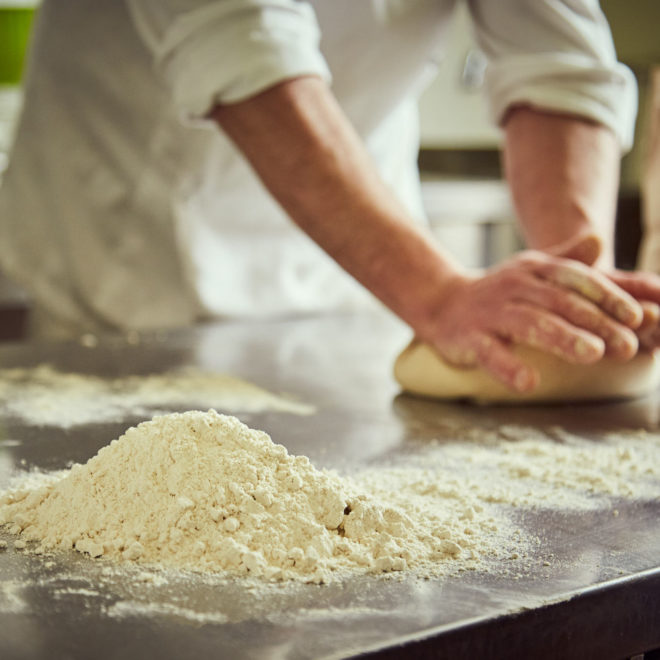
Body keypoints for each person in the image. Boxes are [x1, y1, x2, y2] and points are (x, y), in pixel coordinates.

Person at [1, 0, 660, 393]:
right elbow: (239, 43)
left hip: (361, 268)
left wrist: (577, 287)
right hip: (131, 262)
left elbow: (560, 66)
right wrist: (436, 294)